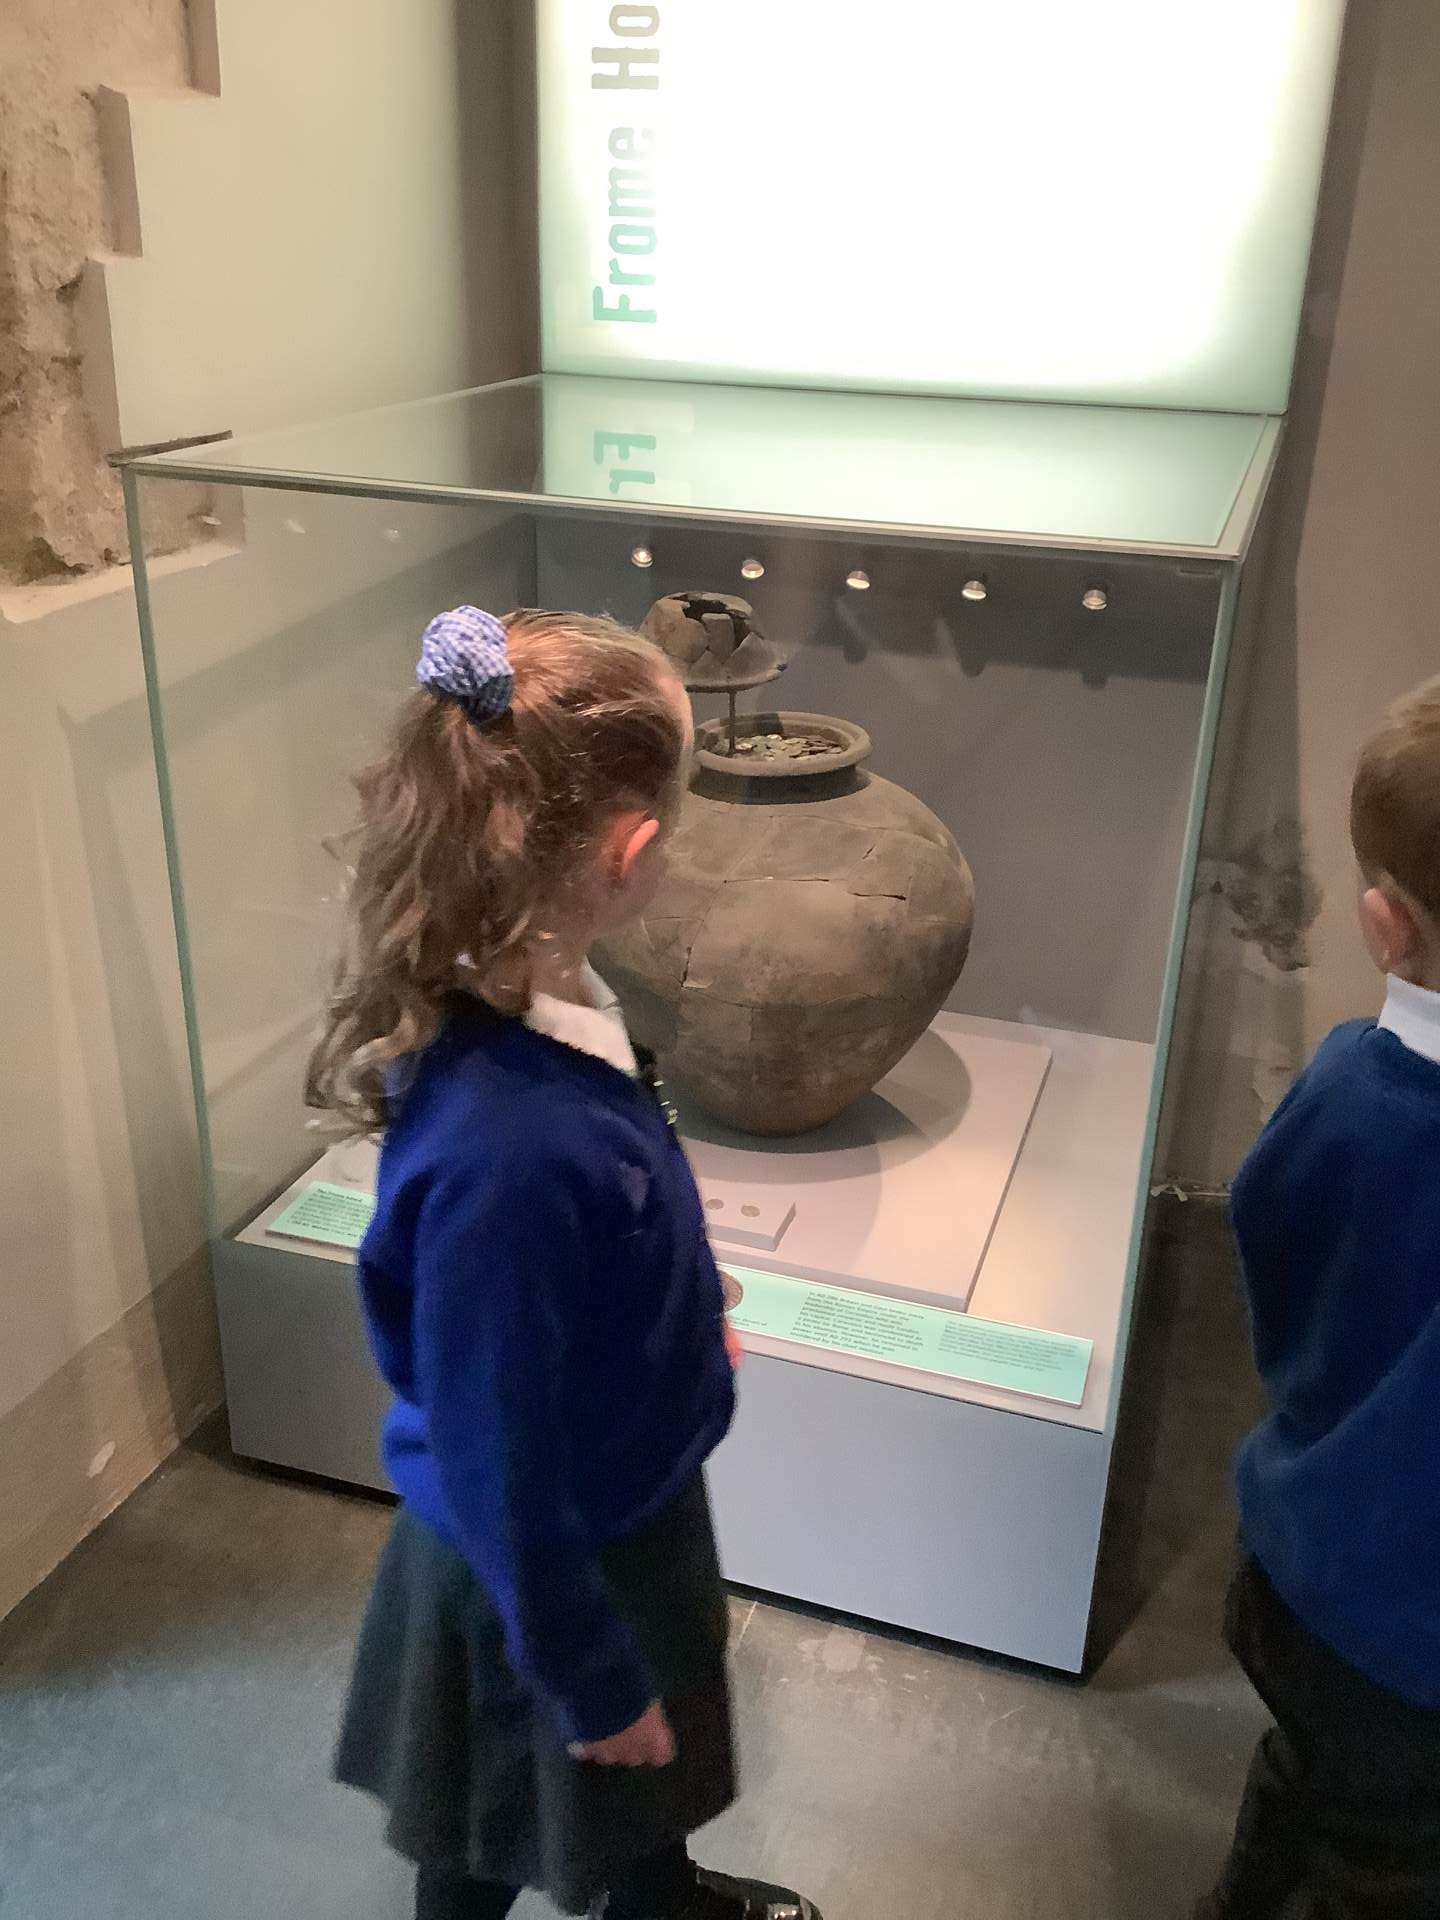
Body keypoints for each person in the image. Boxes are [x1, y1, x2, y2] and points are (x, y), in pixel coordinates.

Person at [307, 606, 820, 1920]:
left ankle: (659, 1893)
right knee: (492, 1815)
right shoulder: (513, 1154)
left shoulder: (549, 1003)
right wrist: (588, 1677)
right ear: (632, 851)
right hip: (538, 1561)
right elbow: (499, 1456)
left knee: (639, 1783)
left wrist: (679, 1313)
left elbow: (600, 1244)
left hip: (618, 1496)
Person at [1200, 674, 1440, 1919]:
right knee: (1386, 1869)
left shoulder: (1343, 1086)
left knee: (1305, 1777)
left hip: (1301, 1563)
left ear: (1384, 925)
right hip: (1413, 1643)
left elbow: (1273, 1249)